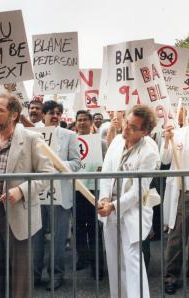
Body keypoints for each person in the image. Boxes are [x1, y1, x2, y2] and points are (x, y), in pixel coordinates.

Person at [0, 92, 54, 298]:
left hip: (18, 214)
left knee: (20, 273)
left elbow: (47, 174)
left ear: (14, 115)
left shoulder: (31, 138)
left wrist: (20, 191)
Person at [98, 105, 160, 298]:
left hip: (132, 211)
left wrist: (114, 206)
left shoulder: (150, 151)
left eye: (133, 127)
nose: (125, 129)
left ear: (145, 132)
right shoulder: (117, 140)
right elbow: (106, 174)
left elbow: (137, 191)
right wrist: (104, 198)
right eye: (126, 123)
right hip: (109, 210)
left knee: (132, 262)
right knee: (114, 262)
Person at [33, 100, 81, 291]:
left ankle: (56, 274)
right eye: (51, 112)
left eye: (58, 113)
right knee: (35, 238)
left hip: (60, 194)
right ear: (43, 115)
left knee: (58, 238)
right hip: (37, 193)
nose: (55, 115)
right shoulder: (33, 136)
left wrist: (59, 165)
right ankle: (35, 274)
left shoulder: (69, 135)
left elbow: (77, 163)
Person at [74, 110, 105, 279]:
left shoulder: (101, 143)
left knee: (94, 228)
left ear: (91, 121)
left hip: (95, 190)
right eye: (79, 120)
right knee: (78, 227)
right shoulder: (71, 141)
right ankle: (82, 258)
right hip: (76, 190)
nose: (82, 122)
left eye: (85, 119)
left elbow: (107, 164)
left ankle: (98, 266)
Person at [161, 124, 189, 295]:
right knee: (177, 235)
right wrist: (166, 140)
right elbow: (164, 159)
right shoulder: (177, 134)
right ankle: (171, 276)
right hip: (184, 191)